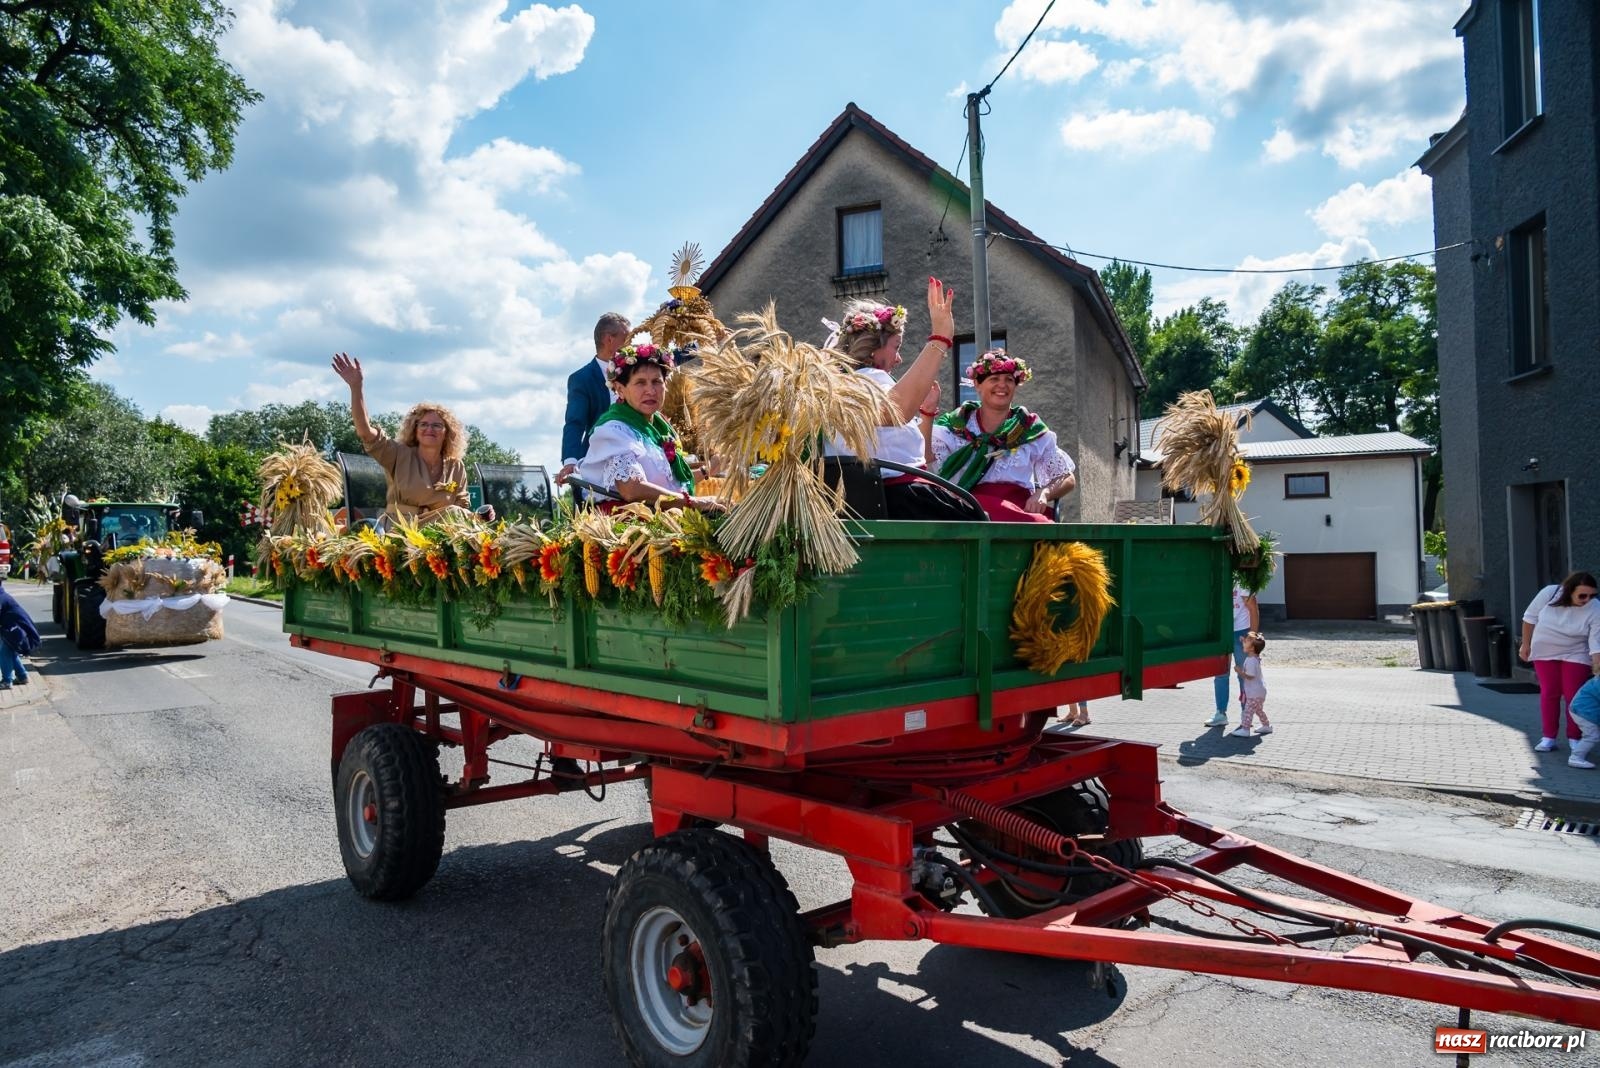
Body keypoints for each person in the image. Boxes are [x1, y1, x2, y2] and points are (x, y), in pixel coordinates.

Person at [825, 277, 985, 521]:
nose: (898, 359)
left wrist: (927, 412)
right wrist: (940, 338)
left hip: (870, 500)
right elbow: (895, 410)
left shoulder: (838, 385)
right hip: (899, 499)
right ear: (873, 348)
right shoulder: (866, 380)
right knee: (981, 520)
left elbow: (895, 441)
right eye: (896, 347)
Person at [331, 353, 487, 526]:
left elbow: (462, 508)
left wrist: (482, 516)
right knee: (454, 514)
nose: (429, 429)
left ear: (447, 433)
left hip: (440, 534)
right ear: (415, 429)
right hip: (401, 530)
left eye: (437, 425)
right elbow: (365, 432)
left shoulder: (455, 466)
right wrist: (356, 387)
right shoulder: (398, 454)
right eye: (423, 424)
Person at [574, 343, 725, 511]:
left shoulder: (660, 427)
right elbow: (633, 490)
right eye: (640, 383)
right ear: (620, 389)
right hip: (629, 520)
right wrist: (694, 503)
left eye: (656, 382)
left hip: (661, 513)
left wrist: (708, 469)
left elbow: (670, 485)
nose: (651, 391)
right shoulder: (614, 431)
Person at [930, 351, 1076, 524]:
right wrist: (927, 413)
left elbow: (1067, 478)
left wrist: (1044, 493)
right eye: (994, 379)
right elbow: (927, 460)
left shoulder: (1028, 427)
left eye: (1009, 379)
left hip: (1018, 509)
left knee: (1042, 527)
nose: (1002, 385)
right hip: (970, 509)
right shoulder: (957, 424)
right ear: (977, 384)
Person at [1519, 571, 1600, 752]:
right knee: (1550, 692)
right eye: (1582, 595)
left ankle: (1574, 737)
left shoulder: (1595, 608)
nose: (1587, 599)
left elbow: (1596, 641)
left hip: (1576, 651)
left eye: (1592, 595)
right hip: (1545, 649)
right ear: (1570, 590)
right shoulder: (1550, 593)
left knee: (1574, 695)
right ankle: (1548, 737)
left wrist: (1598, 667)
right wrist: (1526, 644)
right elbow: (1529, 618)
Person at [558, 312, 630, 487]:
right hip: (598, 463)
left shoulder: (636, 371)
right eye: (627, 338)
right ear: (609, 339)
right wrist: (570, 461)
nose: (631, 344)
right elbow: (575, 422)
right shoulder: (581, 379)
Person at [1209, 584, 1258, 727]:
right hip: (1222, 631)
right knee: (1221, 673)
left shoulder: (1242, 582)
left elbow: (1253, 608)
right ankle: (1220, 713)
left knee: (1244, 675)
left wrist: (1253, 637)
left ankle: (1246, 713)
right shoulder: (1216, 579)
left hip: (1241, 632)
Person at [0, 578, 41, 689]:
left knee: (4, 653)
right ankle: (22, 676)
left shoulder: (1, 597)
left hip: (17, 629)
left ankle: (7, 681)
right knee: (10, 652)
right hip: (14, 629)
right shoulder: (2, 595)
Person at [1230, 631, 1272, 737]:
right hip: (1259, 691)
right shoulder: (1253, 657)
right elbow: (1249, 645)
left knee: (1247, 712)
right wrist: (1244, 640)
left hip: (1254, 693)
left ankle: (1245, 729)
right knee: (1258, 710)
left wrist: (1240, 672)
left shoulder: (1251, 661)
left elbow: (1250, 676)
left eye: (1246, 641)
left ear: (1252, 648)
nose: (1243, 643)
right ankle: (1266, 726)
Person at [1565, 674, 1599, 770]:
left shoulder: (1597, 680)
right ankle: (1576, 757)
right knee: (1592, 735)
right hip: (1584, 712)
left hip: (1582, 709)